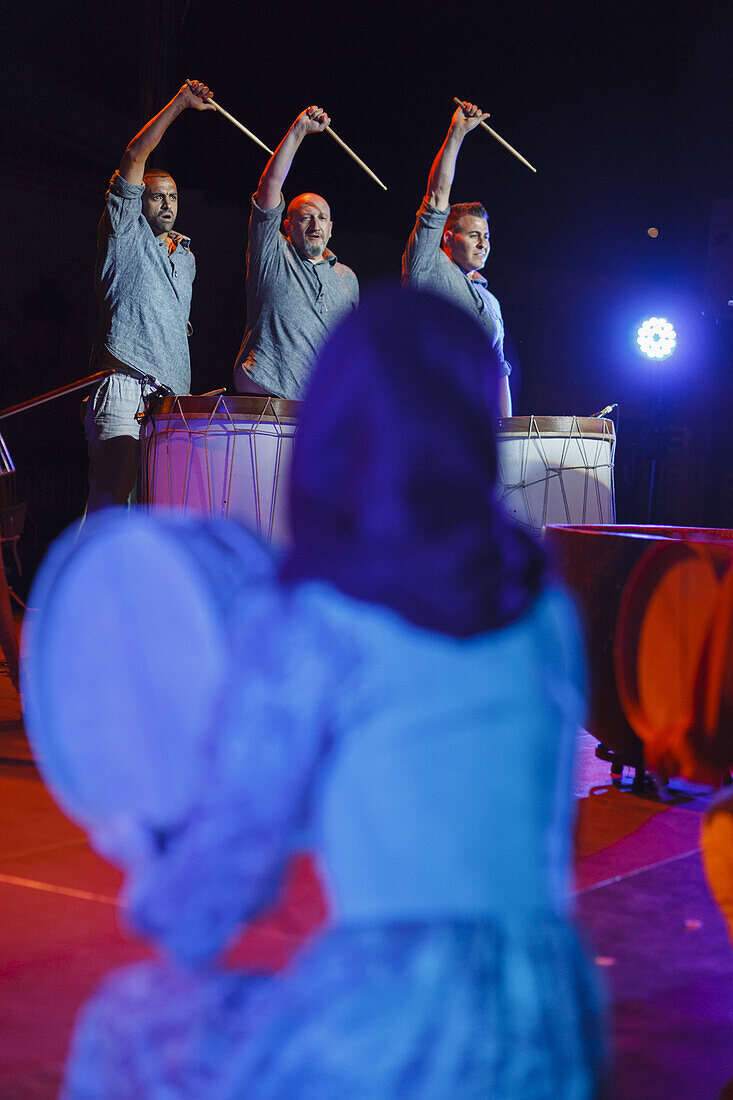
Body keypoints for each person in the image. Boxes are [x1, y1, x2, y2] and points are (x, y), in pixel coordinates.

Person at [23, 286, 605, 1098]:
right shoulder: (542, 606)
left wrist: (146, 852)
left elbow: (212, 902)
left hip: (401, 1028)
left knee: (131, 1023)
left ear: (337, 424)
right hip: (550, 1017)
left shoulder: (320, 624)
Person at [85, 79, 214, 512]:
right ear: (138, 202)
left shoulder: (187, 257)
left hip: (169, 400)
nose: (166, 203)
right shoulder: (124, 233)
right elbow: (134, 156)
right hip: (125, 387)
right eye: (156, 196)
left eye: (173, 197)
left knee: (157, 513)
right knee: (111, 507)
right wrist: (180, 103)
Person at [233, 106, 359, 399]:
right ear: (287, 225)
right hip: (267, 399)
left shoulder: (347, 278)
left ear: (331, 228)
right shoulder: (274, 254)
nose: (315, 224)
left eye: (322, 218)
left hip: (320, 407)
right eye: (305, 217)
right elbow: (269, 187)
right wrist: (299, 130)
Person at [402, 101, 513, 417]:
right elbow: (436, 198)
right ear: (449, 239)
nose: (483, 243)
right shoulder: (428, 267)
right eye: (474, 235)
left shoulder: (490, 302)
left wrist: (505, 434)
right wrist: (457, 133)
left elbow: (499, 371)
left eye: (487, 236)